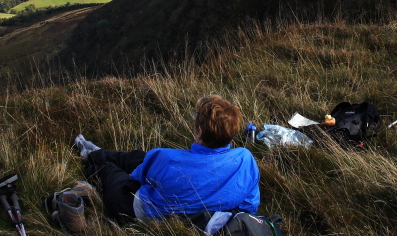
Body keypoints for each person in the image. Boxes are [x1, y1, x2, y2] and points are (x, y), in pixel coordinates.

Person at [73, 95, 260, 226]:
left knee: (110, 171)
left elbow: (138, 177)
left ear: (199, 132)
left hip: (140, 212)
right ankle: (98, 152)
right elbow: (250, 204)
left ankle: (91, 158)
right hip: (203, 215)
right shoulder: (245, 160)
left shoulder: (167, 158)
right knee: (140, 156)